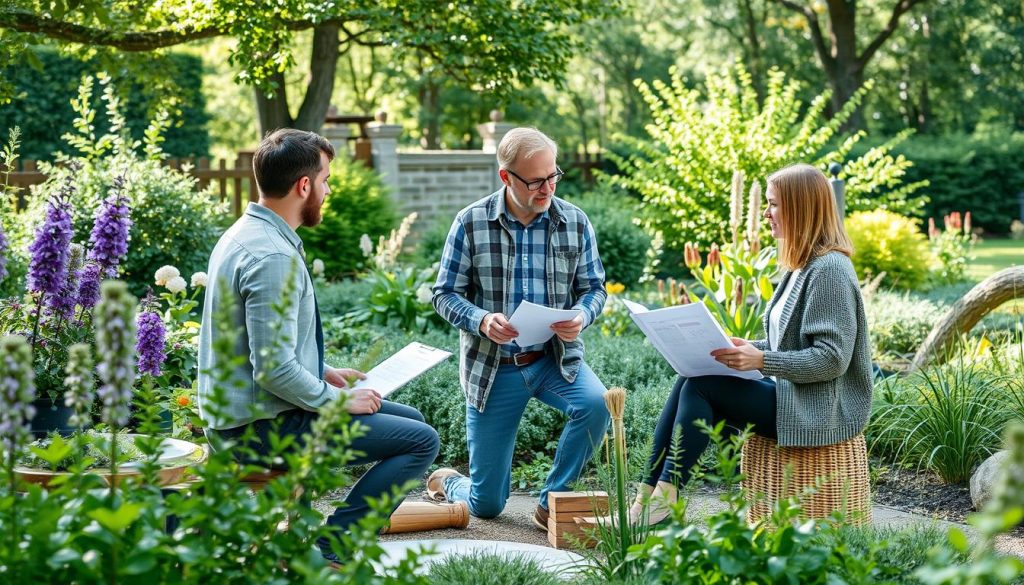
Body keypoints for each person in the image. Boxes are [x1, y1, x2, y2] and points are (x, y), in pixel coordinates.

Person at [196, 128, 440, 561]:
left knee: (413, 419)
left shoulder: (246, 232)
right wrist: (334, 401)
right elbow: (271, 370)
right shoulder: (272, 256)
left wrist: (320, 371)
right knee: (421, 442)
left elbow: (265, 348)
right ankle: (331, 550)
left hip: (246, 413)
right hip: (255, 430)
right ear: (303, 185)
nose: (328, 191)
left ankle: (333, 536)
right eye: (326, 180)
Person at [634, 163, 873, 525]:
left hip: (819, 407)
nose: (766, 212)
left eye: (774, 204)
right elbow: (789, 341)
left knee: (702, 388)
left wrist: (762, 359)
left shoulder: (829, 271)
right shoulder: (801, 266)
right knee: (689, 377)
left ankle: (664, 501)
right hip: (792, 391)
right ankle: (645, 499)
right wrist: (748, 347)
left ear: (800, 209)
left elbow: (831, 359)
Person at [427, 127, 610, 532]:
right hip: (494, 370)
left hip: (553, 360)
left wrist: (581, 315)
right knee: (487, 505)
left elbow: (594, 289)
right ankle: (450, 481)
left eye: (553, 175)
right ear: (506, 177)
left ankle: (550, 505)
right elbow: (443, 294)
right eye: (536, 180)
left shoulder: (575, 222)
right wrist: (481, 320)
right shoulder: (471, 222)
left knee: (597, 405)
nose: (548, 187)